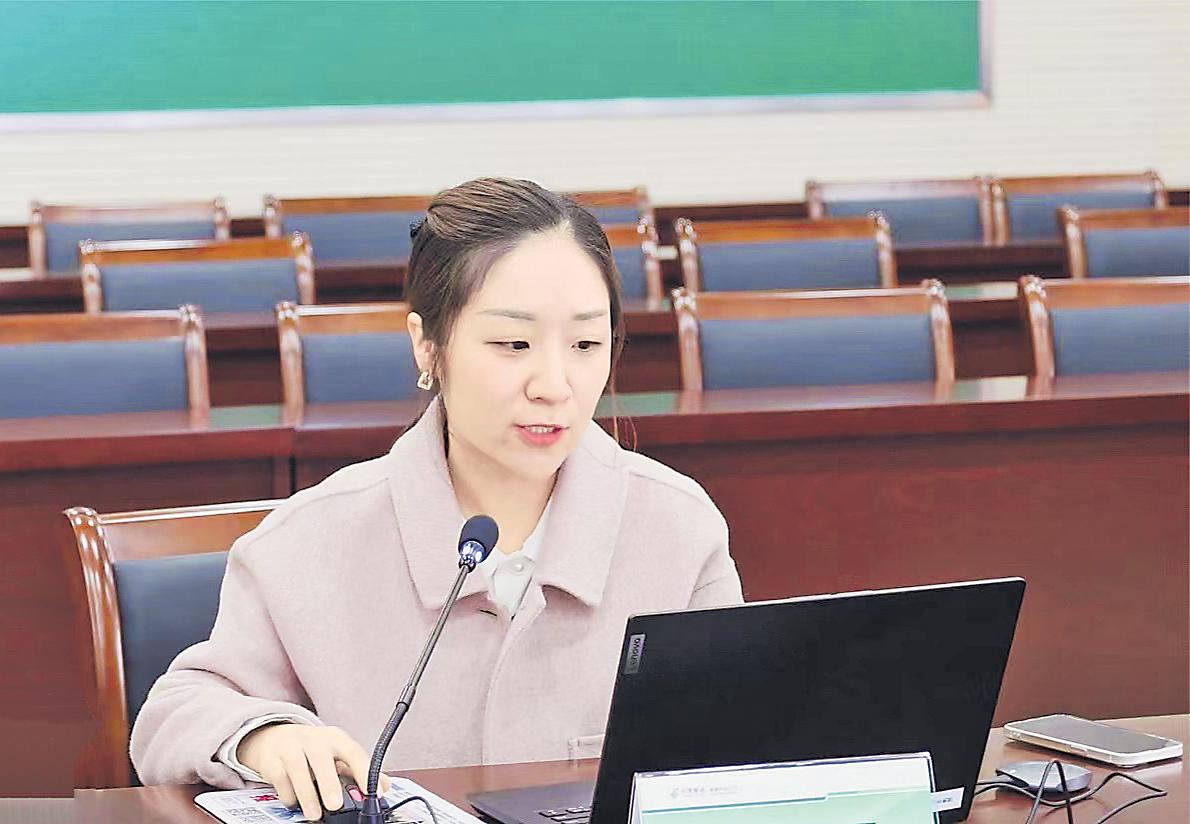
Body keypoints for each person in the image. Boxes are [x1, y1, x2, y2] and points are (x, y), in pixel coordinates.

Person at [130, 178, 742, 820]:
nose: (555, 385)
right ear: (428, 344)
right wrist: (264, 737)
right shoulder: (308, 541)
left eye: (586, 344)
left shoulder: (679, 528)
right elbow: (177, 711)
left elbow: (740, 749)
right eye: (513, 345)